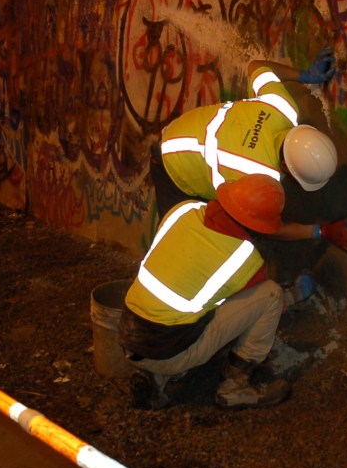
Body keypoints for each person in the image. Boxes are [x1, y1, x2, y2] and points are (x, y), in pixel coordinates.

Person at [119, 174, 310, 410]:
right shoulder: (245, 260)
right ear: (260, 225)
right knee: (270, 294)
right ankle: (235, 387)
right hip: (167, 353)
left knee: (186, 304)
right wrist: (296, 294)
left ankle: (156, 378)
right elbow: (259, 304)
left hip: (128, 335)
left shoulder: (184, 210)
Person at [152, 47, 347, 259]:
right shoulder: (261, 179)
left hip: (178, 131)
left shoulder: (282, 108)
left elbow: (257, 67)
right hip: (173, 171)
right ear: (285, 168)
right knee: (188, 253)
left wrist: (304, 75)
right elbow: (273, 229)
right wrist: (321, 231)